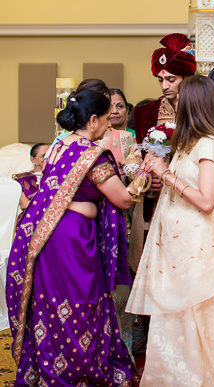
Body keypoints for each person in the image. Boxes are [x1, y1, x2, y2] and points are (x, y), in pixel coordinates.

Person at [126, 75, 214, 385]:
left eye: (179, 102)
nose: (173, 107)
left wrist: (166, 174)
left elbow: (207, 201)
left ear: (193, 106)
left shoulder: (209, 144)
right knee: (173, 319)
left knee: (195, 318)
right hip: (177, 247)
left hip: (199, 246)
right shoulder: (188, 143)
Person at [6, 90, 137, 384]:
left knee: (51, 303)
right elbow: (123, 200)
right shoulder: (92, 155)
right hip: (74, 239)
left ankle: (49, 370)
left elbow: (54, 190)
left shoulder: (58, 146)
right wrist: (144, 178)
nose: (108, 128)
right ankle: (80, 371)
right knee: (82, 303)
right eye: (105, 121)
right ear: (92, 120)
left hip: (48, 235)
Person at [128, 32, 196, 273]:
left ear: (187, 77)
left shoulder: (203, 110)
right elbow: (134, 157)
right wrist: (144, 180)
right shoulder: (145, 112)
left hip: (194, 196)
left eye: (171, 79)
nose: (165, 85)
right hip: (156, 198)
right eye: (160, 79)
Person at [99, 88, 133, 165]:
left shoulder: (135, 136)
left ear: (127, 111)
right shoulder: (98, 137)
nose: (114, 111)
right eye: (110, 107)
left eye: (120, 106)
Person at [12, 143, 48, 212]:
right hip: (30, 215)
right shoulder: (23, 179)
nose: (47, 159)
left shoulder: (55, 176)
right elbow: (24, 204)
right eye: (43, 156)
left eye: (49, 155)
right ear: (33, 160)